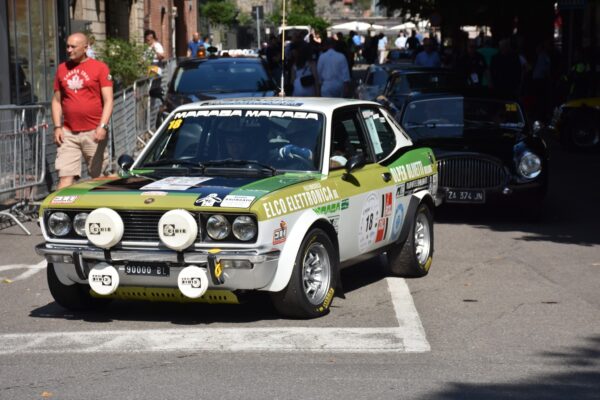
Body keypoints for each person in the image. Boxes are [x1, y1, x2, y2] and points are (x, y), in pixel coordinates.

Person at [52, 32, 113, 189]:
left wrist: (103, 126)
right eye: (67, 46)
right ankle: (59, 213)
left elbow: (108, 100)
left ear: (85, 48)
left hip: (93, 133)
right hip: (69, 133)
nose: (69, 50)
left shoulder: (100, 68)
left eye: (73, 46)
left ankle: (99, 211)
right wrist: (57, 127)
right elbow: (57, 101)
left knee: (98, 178)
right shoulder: (61, 69)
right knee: (65, 178)